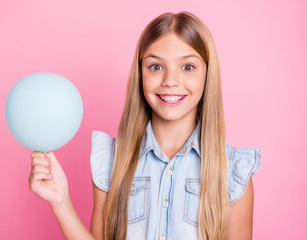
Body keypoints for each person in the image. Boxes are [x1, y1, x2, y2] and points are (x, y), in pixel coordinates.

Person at [28, 11, 261, 240]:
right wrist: (60, 202)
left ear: (207, 75)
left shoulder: (232, 172)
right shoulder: (111, 160)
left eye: (188, 67)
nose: (170, 81)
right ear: (140, 73)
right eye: (156, 66)